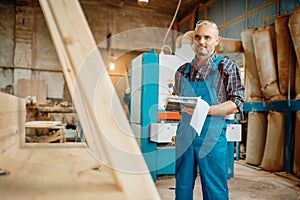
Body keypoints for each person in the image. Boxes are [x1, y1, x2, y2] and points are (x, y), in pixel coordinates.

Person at [173, 20, 245, 200]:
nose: (201, 41)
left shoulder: (227, 67)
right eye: (198, 37)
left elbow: (237, 102)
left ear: (217, 40)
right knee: (182, 186)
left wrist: (206, 110)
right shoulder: (182, 71)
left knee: (215, 189)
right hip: (185, 136)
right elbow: (177, 100)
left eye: (207, 37)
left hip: (211, 137)